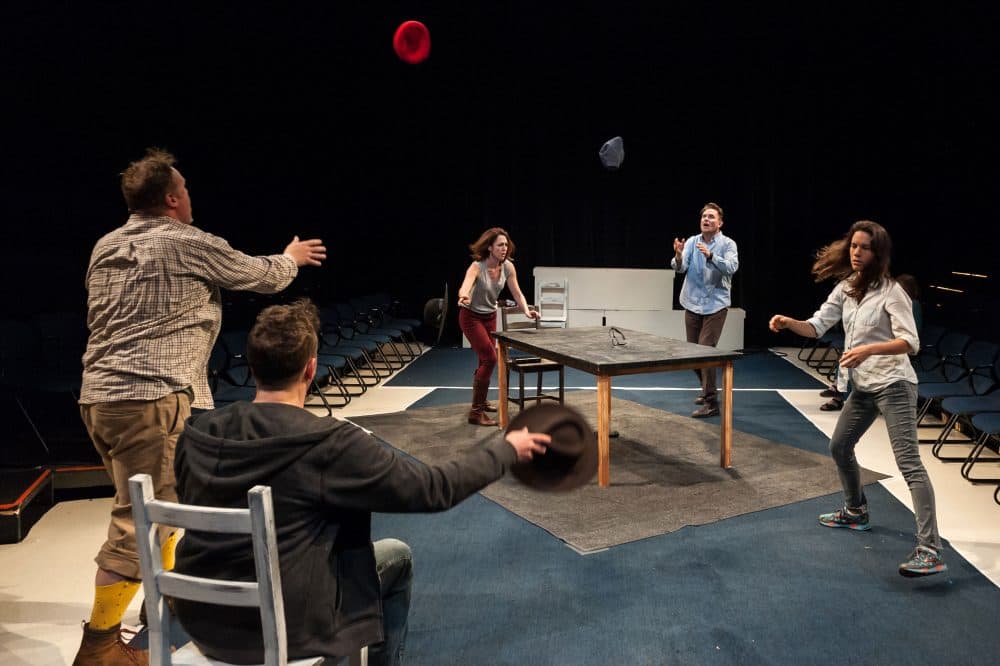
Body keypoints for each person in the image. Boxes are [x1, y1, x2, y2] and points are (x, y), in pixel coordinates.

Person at [172, 299, 550, 664]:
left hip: (202, 617)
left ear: (252, 367)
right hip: (290, 626)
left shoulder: (198, 433)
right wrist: (506, 450)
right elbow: (434, 489)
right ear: (311, 369)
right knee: (396, 555)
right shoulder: (329, 443)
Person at [74, 148, 327, 665]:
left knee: (159, 506)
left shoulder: (106, 244)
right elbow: (261, 276)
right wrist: (291, 258)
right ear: (171, 199)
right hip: (149, 398)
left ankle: (166, 603)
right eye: (185, 188)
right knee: (137, 522)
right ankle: (100, 646)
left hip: (99, 397)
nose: (189, 196)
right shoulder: (186, 242)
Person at [769, 220, 946, 577]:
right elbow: (817, 326)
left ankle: (930, 549)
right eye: (853, 246)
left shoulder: (892, 292)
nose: (856, 252)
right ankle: (855, 511)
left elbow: (910, 342)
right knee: (839, 446)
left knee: (909, 463)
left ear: (878, 253)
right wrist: (789, 322)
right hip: (863, 387)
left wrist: (868, 350)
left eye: (864, 247)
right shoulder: (846, 288)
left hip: (894, 384)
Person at [457, 227, 537, 426]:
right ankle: (476, 412)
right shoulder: (477, 266)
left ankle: (481, 401)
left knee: (483, 359)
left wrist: (526, 311)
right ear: (490, 247)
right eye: (500, 245)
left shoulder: (508, 267)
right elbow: (466, 284)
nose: (504, 248)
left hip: (489, 316)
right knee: (490, 358)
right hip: (471, 317)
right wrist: (464, 295)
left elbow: (517, 293)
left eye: (506, 245)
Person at [671, 202, 739, 417]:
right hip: (692, 302)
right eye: (704, 217)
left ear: (720, 223)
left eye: (711, 217)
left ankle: (711, 402)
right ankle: (706, 388)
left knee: (705, 350)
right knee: (693, 355)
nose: (706, 220)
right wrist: (679, 255)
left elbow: (732, 267)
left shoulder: (728, 244)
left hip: (715, 304)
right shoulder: (692, 241)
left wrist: (711, 256)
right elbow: (680, 268)